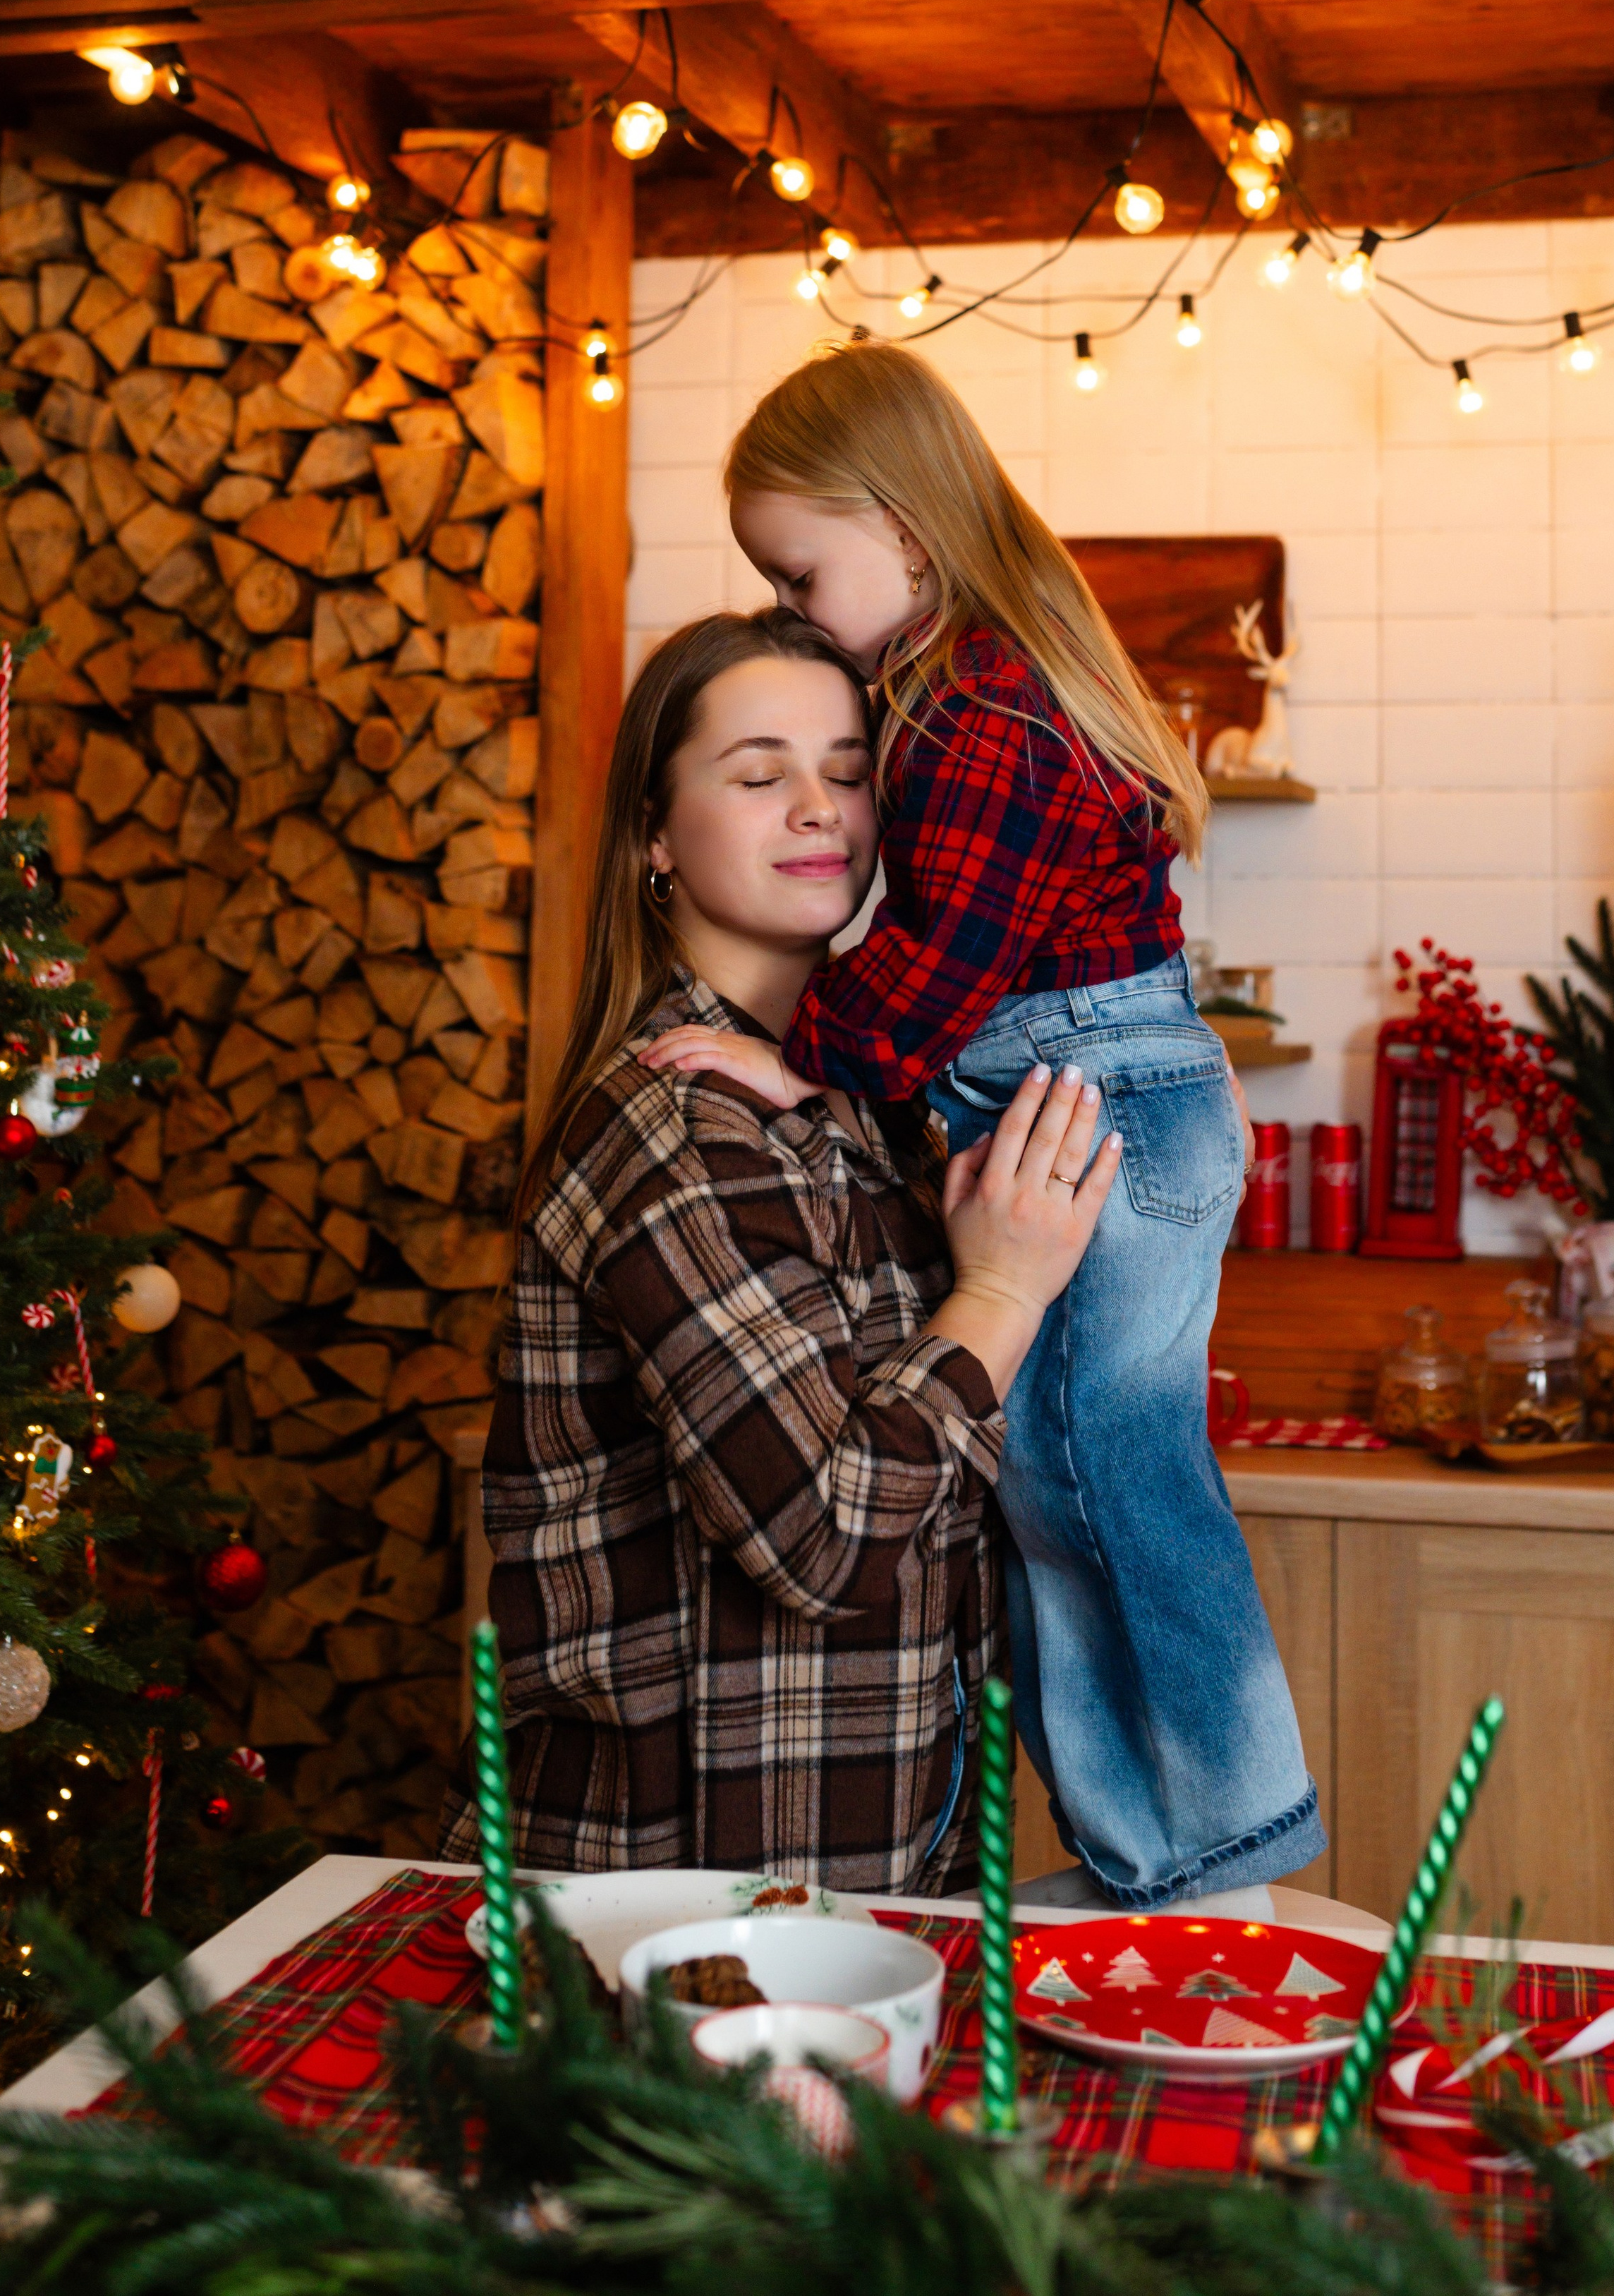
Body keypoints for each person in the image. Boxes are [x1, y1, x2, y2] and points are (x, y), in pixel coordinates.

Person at [643, 342, 1323, 1909]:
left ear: (900, 517)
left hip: (1081, 1102)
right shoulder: (978, 690)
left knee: (1101, 1477)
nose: (796, 611)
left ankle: (1210, 1849)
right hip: (1096, 1089)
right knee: (1058, 1482)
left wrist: (800, 1064)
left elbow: (934, 978)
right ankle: (1146, 1849)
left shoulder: (982, 716)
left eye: (799, 571)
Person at [441, 608, 1120, 1893]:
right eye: (759, 775)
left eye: (851, 772)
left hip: (859, 1884)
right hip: (677, 1908)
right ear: (655, 832)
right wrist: (1000, 1288)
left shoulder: (857, 1107)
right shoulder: (676, 1129)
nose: (820, 808)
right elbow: (825, 1529)